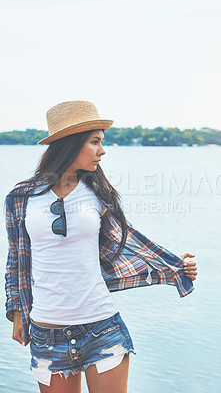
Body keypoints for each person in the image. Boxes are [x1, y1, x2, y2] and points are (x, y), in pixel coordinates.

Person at [4, 100, 198, 393]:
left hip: (101, 328)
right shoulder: (21, 197)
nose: (102, 151)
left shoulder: (98, 194)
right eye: (94, 142)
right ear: (70, 144)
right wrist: (18, 311)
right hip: (47, 334)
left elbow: (130, 241)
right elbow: (17, 259)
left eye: (101, 142)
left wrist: (174, 265)